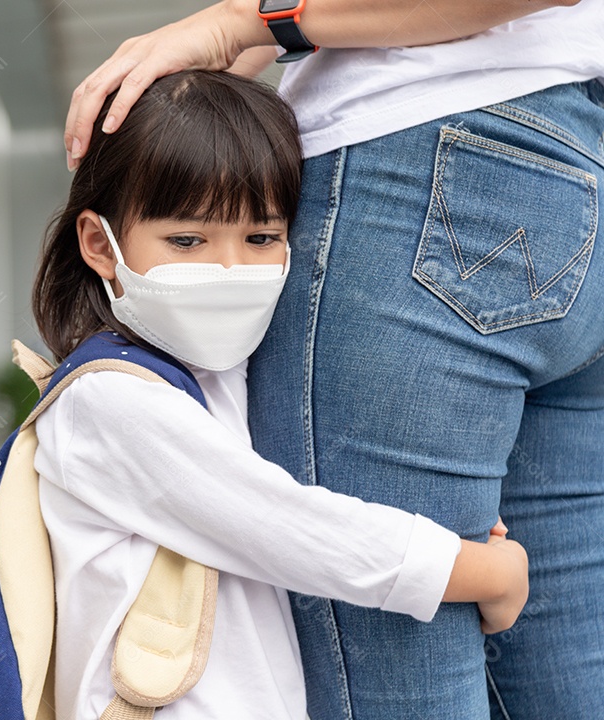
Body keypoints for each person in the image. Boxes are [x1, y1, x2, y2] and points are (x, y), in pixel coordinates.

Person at [60, 2, 604, 718]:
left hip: (420, 152)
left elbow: (288, 528)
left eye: (262, 238)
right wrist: (473, 570)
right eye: (189, 242)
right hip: (574, 169)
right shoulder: (110, 400)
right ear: (98, 243)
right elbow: (277, 523)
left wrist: (255, 21)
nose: (229, 270)